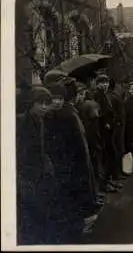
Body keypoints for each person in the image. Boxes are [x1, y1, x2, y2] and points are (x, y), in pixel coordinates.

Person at [44, 81, 97, 244]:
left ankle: (75, 231)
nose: (57, 102)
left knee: (71, 200)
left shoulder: (69, 116)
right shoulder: (46, 116)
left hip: (70, 165)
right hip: (55, 165)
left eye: (60, 98)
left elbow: (80, 147)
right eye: (53, 98)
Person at [16, 86, 57, 244]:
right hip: (27, 175)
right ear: (31, 104)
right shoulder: (22, 122)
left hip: (38, 173)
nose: (44, 107)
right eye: (40, 103)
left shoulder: (40, 120)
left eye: (47, 103)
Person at [93, 74, 123, 192]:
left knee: (111, 154)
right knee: (105, 156)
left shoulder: (105, 95)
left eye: (106, 82)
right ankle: (104, 183)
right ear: (97, 84)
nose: (105, 85)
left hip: (110, 130)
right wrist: (106, 122)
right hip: (103, 130)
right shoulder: (97, 95)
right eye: (102, 82)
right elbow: (101, 112)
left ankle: (109, 180)